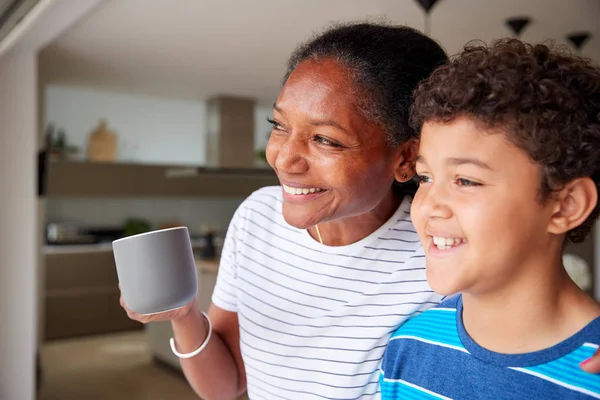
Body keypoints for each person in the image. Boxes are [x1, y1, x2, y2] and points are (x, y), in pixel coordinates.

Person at [119, 23, 600, 400]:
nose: (284, 159)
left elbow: (535, 299)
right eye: (279, 126)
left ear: (404, 159)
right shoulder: (257, 219)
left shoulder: (442, 254)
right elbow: (225, 386)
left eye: (326, 139)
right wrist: (184, 315)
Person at [380, 38, 600, 399]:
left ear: (565, 206)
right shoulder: (409, 346)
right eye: (425, 177)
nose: (429, 205)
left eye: (466, 180)